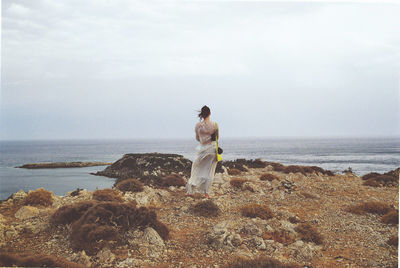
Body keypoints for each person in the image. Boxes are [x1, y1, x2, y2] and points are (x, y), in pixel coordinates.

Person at [185, 105, 219, 199]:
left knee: (196, 169)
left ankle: (190, 191)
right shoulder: (215, 125)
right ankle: (206, 193)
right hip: (212, 149)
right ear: (210, 113)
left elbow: (197, 138)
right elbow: (217, 138)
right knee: (209, 172)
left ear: (202, 114)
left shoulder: (198, 125)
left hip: (201, 149)